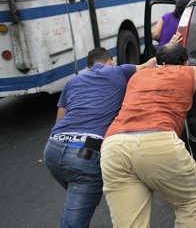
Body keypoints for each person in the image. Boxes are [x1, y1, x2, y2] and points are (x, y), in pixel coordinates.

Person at [100, 38, 196, 228]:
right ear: (185, 62)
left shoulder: (137, 77)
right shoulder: (190, 72)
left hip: (113, 146)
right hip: (158, 141)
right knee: (190, 202)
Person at [43, 47, 157, 228]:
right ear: (110, 61)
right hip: (85, 155)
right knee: (75, 218)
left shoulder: (72, 81)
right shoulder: (119, 71)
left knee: (75, 200)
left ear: (88, 67)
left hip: (53, 149)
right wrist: (172, 42)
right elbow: (150, 65)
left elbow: (59, 121)